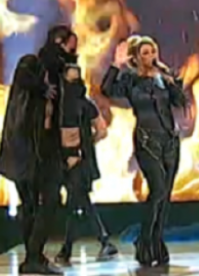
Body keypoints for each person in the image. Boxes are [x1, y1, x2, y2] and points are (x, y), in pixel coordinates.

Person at [0, 25, 78, 275]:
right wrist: (42, 88)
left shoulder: (63, 74)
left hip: (48, 148)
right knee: (30, 204)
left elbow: (71, 105)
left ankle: (33, 257)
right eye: (70, 47)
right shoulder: (31, 64)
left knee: (51, 199)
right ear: (58, 42)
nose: (72, 53)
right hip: (26, 148)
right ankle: (33, 258)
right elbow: (23, 80)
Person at [101, 35, 187, 267]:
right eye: (145, 53)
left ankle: (156, 241)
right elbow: (107, 90)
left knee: (165, 196)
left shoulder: (163, 78)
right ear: (136, 57)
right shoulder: (130, 80)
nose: (151, 56)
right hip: (147, 140)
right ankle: (145, 239)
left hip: (170, 140)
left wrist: (173, 81)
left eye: (153, 52)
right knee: (157, 190)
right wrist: (116, 65)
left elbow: (180, 102)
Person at [56, 63, 119, 264]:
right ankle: (79, 246)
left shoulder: (68, 105)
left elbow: (101, 131)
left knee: (77, 201)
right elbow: (101, 131)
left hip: (77, 160)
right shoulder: (74, 104)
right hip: (70, 159)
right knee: (78, 202)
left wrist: (81, 149)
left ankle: (90, 244)